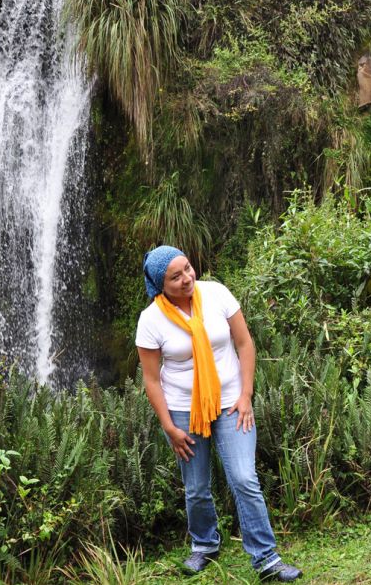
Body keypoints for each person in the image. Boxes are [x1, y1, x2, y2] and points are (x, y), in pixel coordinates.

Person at [135, 245, 303, 582]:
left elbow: (244, 344)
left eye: (188, 268)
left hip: (231, 403)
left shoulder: (216, 294)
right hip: (184, 412)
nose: (187, 278)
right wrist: (169, 427)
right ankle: (205, 544)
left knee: (243, 478)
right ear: (159, 284)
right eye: (175, 276)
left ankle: (266, 559)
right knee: (196, 487)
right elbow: (152, 380)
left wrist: (246, 395)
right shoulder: (151, 320)